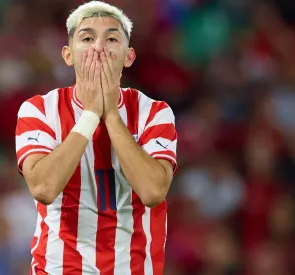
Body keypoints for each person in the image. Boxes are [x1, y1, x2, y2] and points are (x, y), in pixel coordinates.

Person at [15, 1, 178, 274]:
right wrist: (91, 115)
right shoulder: (39, 109)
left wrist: (111, 116)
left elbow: (152, 191)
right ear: (68, 55)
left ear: (129, 56)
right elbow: (43, 187)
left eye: (112, 38)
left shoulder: (155, 112)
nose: (99, 47)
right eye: (87, 38)